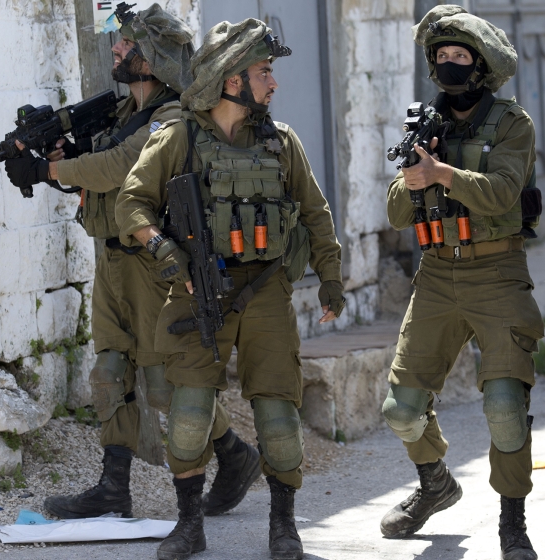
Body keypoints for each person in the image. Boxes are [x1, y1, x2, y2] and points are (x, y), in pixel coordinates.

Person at [4, 4, 260, 521]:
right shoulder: (123, 114)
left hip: (157, 264)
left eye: (128, 45)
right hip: (113, 263)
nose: (117, 51)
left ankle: (234, 455)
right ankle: (112, 487)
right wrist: (57, 153)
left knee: (168, 381)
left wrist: (48, 170)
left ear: (155, 59)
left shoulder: (173, 117)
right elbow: (94, 167)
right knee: (110, 370)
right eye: (119, 43)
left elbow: (119, 166)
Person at [115, 18, 345, 560]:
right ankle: (189, 525)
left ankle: (284, 527)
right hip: (197, 289)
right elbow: (132, 203)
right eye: (264, 72)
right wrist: (162, 248)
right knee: (190, 416)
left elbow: (315, 214)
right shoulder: (178, 137)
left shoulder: (280, 142)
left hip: (265, 290)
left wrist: (331, 278)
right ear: (232, 80)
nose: (274, 83)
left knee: (279, 417)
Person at [380, 5, 544, 560]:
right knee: (401, 408)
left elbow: (501, 194)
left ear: (480, 66)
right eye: (442, 56)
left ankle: (512, 522)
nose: (449, 65)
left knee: (504, 403)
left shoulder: (511, 124)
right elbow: (399, 214)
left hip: (497, 271)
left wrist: (443, 172)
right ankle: (434, 483)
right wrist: (412, 175)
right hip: (435, 273)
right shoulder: (423, 123)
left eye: (459, 56)